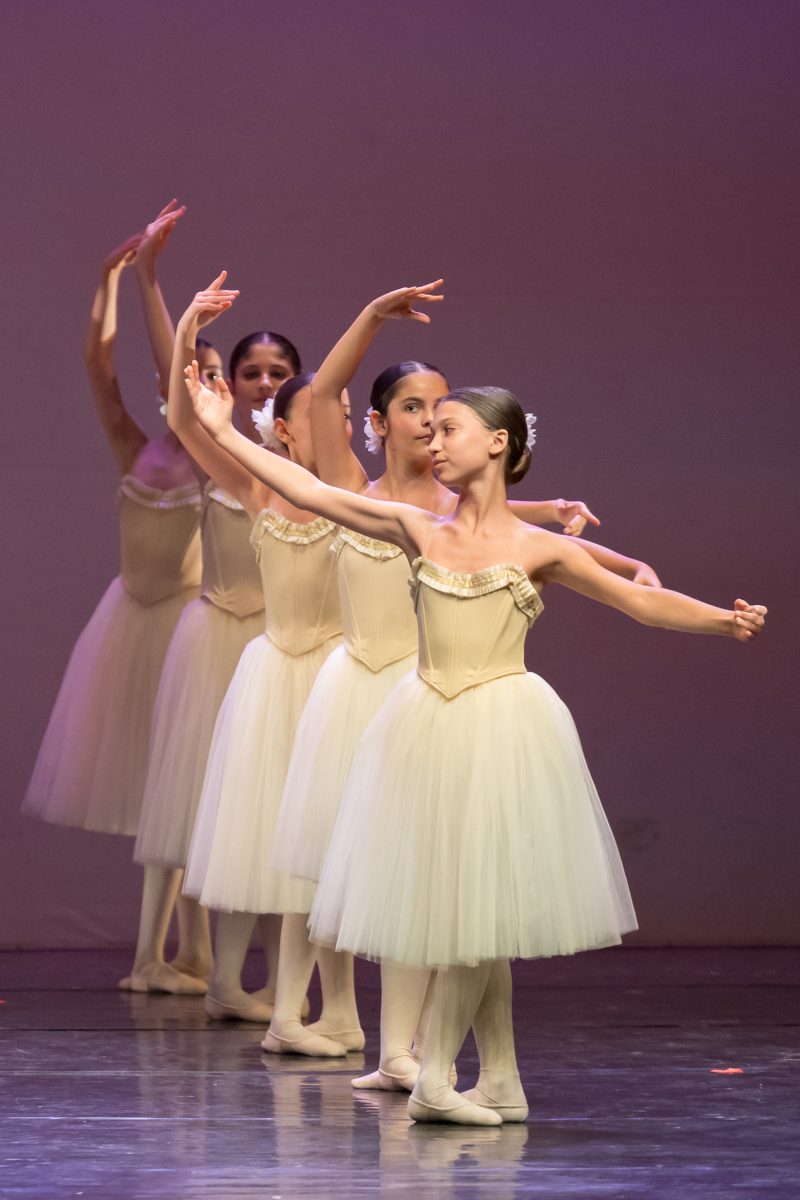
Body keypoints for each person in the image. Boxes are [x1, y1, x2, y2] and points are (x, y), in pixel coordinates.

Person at [183, 295, 766, 1123]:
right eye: (426, 427)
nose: (433, 439)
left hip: (499, 729)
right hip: (425, 726)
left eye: (448, 427)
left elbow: (640, 603)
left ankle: (435, 1080)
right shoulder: (420, 529)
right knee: (467, 916)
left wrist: (720, 620)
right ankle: (498, 1080)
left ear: (497, 442)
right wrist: (222, 431)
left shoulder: (539, 549)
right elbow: (306, 488)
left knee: (475, 918)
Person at [266, 283, 661, 1065]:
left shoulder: (456, 505)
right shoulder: (356, 487)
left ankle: (410, 1051)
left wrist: (628, 565)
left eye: (441, 410)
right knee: (349, 872)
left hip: (430, 698)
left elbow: (535, 536)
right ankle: (338, 1021)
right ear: (378, 423)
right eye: (413, 407)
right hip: (362, 695)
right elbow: (323, 394)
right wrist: (371, 318)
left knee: (429, 880)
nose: (429, 421)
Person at [168, 277, 354, 1029]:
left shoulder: (358, 495)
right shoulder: (257, 488)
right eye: (320, 415)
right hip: (275, 672)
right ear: (284, 430)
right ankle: (227, 982)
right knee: (256, 827)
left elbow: (441, 511)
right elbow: (184, 422)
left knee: (315, 833)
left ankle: (295, 990)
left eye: (343, 416)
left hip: (334, 676)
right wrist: (187, 329)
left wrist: (549, 508)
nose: (336, 426)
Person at [23, 203, 203, 841]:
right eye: (182, 377)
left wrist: (149, 279)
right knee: (139, 777)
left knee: (185, 775)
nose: (190, 385)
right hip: (126, 618)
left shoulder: (214, 462)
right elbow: (99, 369)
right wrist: (110, 278)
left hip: (184, 621)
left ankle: (186, 909)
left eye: (205, 377)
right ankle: (158, 911)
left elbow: (177, 369)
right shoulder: (136, 449)